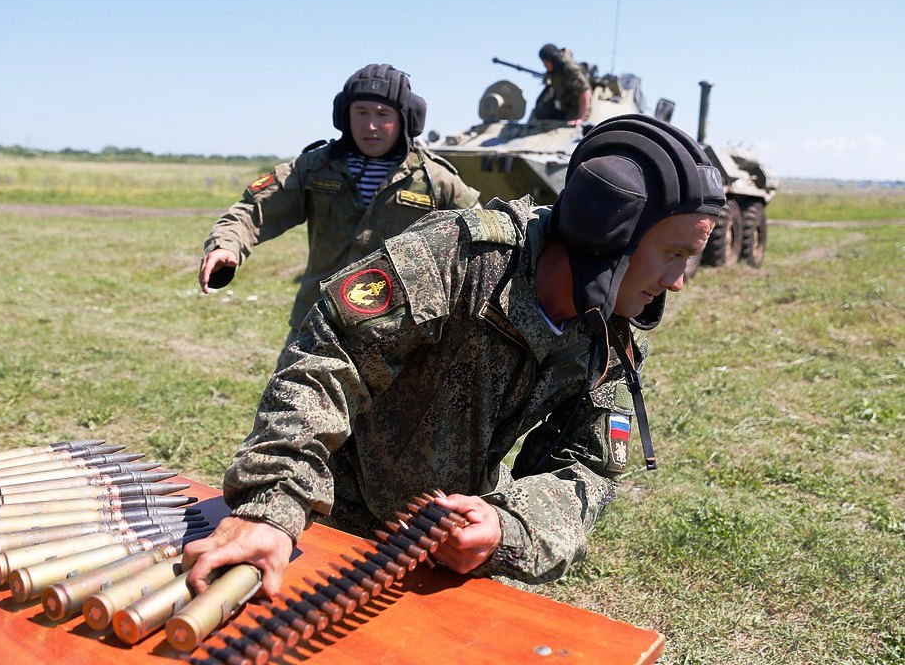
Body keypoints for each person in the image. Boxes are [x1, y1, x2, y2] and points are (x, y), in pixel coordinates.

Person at [183, 114, 726, 597]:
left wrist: (503, 527)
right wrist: (270, 507)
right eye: (674, 254)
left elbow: (587, 465)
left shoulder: (614, 331)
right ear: (611, 232)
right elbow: (328, 360)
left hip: (437, 554)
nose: (678, 282)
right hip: (324, 526)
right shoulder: (458, 259)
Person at [198, 63, 480, 345]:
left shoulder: (435, 180)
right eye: (361, 113)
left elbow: (484, 234)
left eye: (383, 115)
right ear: (344, 115)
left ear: (406, 119)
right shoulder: (316, 167)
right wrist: (226, 245)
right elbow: (252, 211)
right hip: (317, 326)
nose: (370, 125)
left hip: (397, 336)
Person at [532, 43, 591, 125]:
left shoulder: (570, 69)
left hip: (576, 109)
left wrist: (580, 118)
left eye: (545, 62)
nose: (544, 65)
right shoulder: (555, 71)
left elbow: (585, 91)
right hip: (565, 107)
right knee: (541, 110)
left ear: (552, 59)